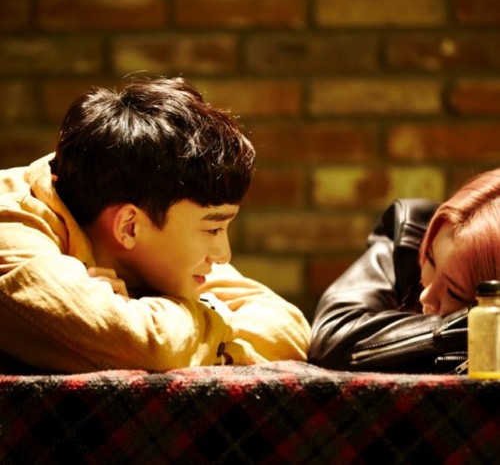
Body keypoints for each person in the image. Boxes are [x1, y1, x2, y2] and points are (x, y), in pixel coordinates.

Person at [0, 76, 310, 374]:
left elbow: (288, 327)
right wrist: (216, 325)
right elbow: (151, 345)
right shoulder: (11, 226)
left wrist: (165, 313)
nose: (222, 255)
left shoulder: (157, 243)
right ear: (129, 227)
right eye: (213, 229)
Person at [309, 168, 500, 373]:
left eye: (454, 293)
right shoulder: (408, 239)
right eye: (430, 260)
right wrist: (469, 329)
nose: (426, 296)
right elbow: (331, 341)